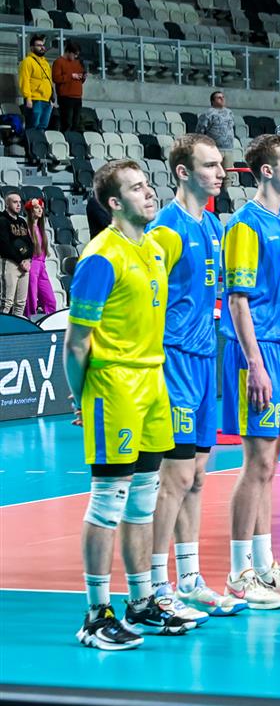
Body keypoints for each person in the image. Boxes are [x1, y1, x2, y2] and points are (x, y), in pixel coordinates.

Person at [67, 159, 185, 649]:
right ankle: (96, 614)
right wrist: (82, 398)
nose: (149, 192)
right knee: (108, 502)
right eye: (137, 188)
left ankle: (141, 601)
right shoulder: (100, 257)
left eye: (148, 184)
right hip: (113, 385)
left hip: (153, 381)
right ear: (114, 203)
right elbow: (77, 342)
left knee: (143, 502)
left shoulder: (155, 247)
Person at [144, 134, 245, 620]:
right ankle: (155, 585)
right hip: (174, 360)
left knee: (199, 476)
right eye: (210, 165)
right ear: (183, 172)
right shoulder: (165, 228)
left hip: (206, 358)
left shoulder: (213, 225)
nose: (221, 173)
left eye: (221, 164)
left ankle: (189, 579)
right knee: (176, 476)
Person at [220, 134, 280, 609]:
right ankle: (239, 574)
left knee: (270, 464)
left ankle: (264, 566)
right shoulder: (245, 224)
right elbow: (238, 301)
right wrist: (256, 364)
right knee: (255, 463)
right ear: (265, 170)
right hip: (256, 353)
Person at [1, 190, 33, 316]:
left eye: (20, 202)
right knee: (6, 302)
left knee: (21, 303)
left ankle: (16, 328)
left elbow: (30, 243)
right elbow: (5, 246)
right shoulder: (2, 220)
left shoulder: (22, 221)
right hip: (10, 263)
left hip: (25, 265)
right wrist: (20, 261)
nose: (19, 205)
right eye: (15, 202)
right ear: (7, 204)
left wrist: (28, 260)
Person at [23, 198, 56, 318]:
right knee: (31, 299)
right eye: (37, 208)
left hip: (42, 265)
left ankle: (49, 321)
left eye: (41, 208)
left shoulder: (41, 229)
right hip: (32, 265)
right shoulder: (26, 228)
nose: (40, 210)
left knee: (51, 300)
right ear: (31, 211)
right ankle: (30, 322)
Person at [18, 34, 53, 131]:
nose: (42, 48)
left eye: (43, 45)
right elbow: (24, 81)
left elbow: (49, 81)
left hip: (46, 100)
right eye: (39, 45)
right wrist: (28, 98)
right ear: (32, 48)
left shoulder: (46, 63)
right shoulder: (27, 62)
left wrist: (51, 98)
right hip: (34, 99)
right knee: (33, 126)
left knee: (43, 126)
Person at [52, 41, 86, 132]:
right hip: (65, 97)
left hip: (77, 97)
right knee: (67, 122)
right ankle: (65, 137)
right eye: (74, 54)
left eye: (77, 55)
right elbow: (56, 78)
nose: (76, 56)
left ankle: (73, 138)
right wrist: (71, 76)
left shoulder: (78, 63)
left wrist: (83, 77)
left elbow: (80, 80)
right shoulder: (59, 62)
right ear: (68, 51)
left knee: (76, 123)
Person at [195, 91, 236, 165]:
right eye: (219, 98)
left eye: (223, 97)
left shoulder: (229, 112)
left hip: (229, 150)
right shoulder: (207, 114)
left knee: (229, 172)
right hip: (214, 149)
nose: (222, 99)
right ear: (213, 101)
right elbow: (200, 132)